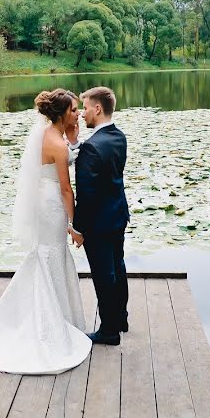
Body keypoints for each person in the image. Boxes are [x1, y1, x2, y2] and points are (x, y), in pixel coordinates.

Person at [0, 89, 91, 374]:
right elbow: (66, 189)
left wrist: (73, 137)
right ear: (61, 114)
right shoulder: (56, 144)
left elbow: (64, 152)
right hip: (53, 205)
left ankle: (55, 316)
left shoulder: (47, 134)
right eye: (73, 110)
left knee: (46, 253)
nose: (78, 113)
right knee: (52, 253)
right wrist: (75, 225)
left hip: (42, 199)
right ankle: (51, 323)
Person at [66, 86, 129, 346]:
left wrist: (77, 228)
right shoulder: (118, 136)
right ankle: (121, 318)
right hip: (117, 215)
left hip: (99, 223)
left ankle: (109, 331)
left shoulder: (92, 148)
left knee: (104, 275)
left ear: (98, 108)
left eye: (86, 107)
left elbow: (87, 196)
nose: (82, 114)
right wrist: (76, 143)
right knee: (118, 267)